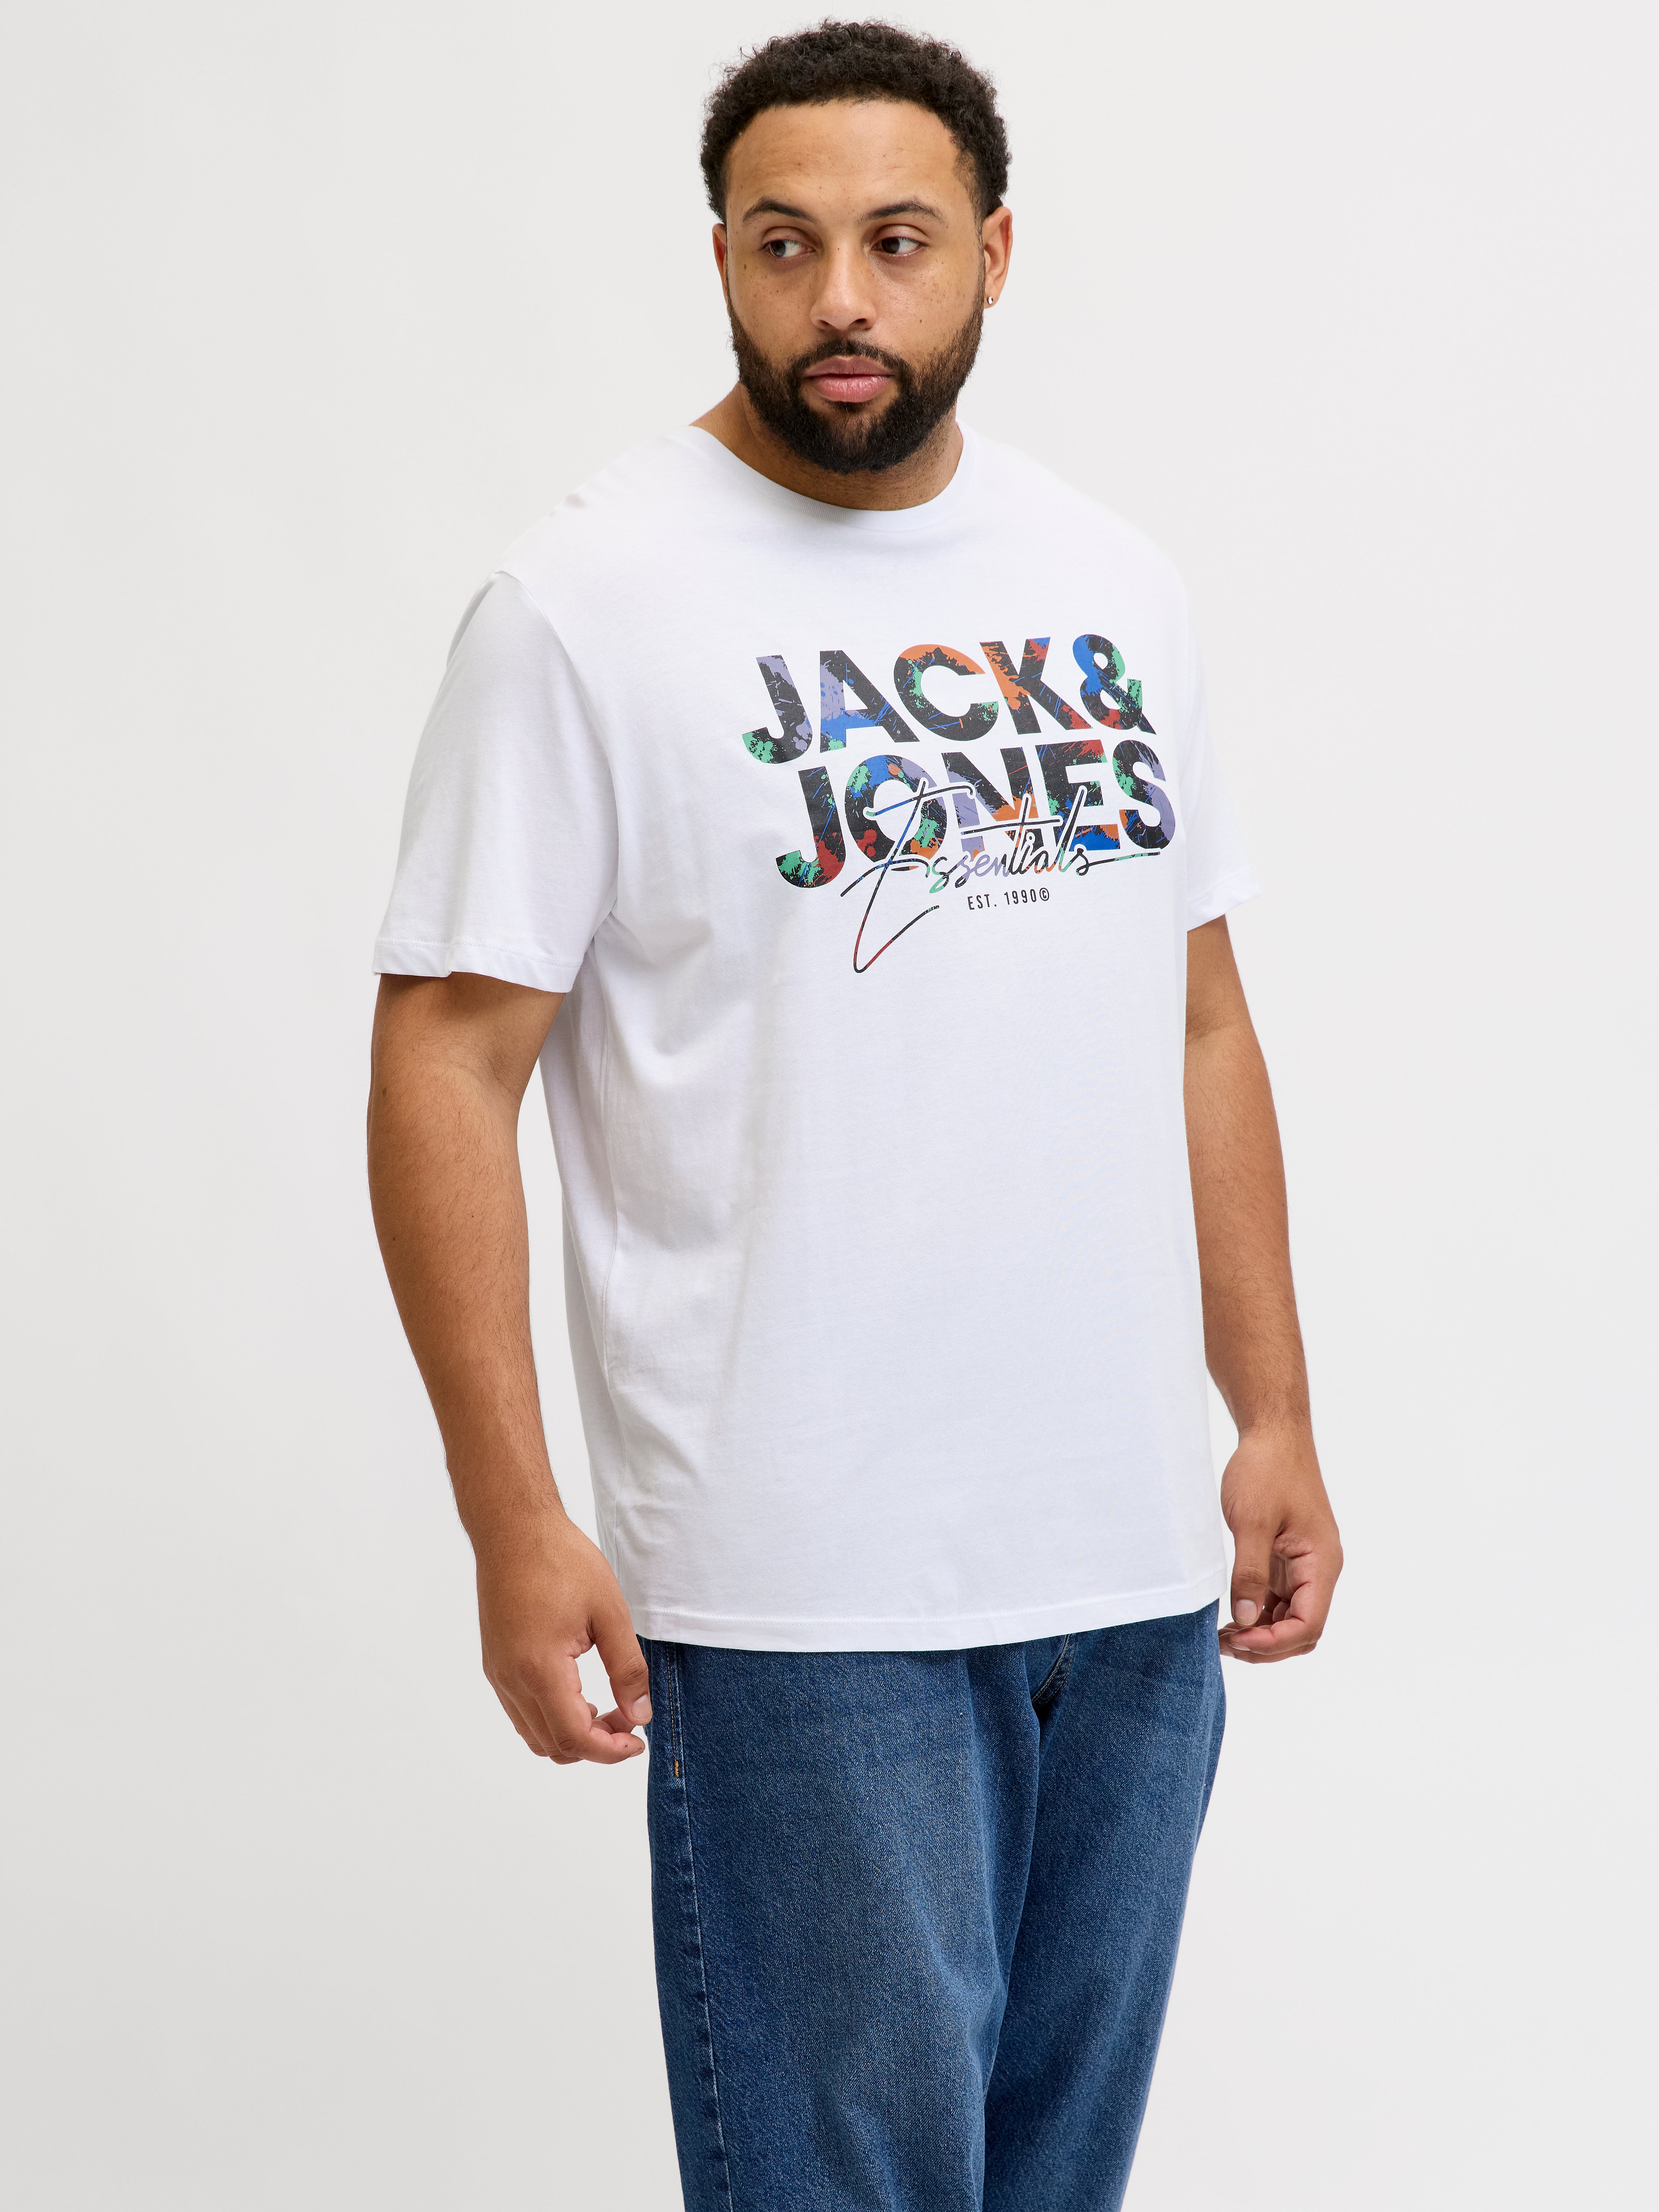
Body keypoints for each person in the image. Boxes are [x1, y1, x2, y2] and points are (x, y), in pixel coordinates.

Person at [367, 21, 1342, 2210]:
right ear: (719, 255)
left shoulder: (1109, 581)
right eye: (782, 243)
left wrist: (1269, 1411)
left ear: (992, 252)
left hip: (1127, 1567)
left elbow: (1199, 1017)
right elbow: (446, 1058)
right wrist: (513, 1515)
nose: (839, 301)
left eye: (896, 243)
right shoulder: (589, 604)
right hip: (805, 1592)